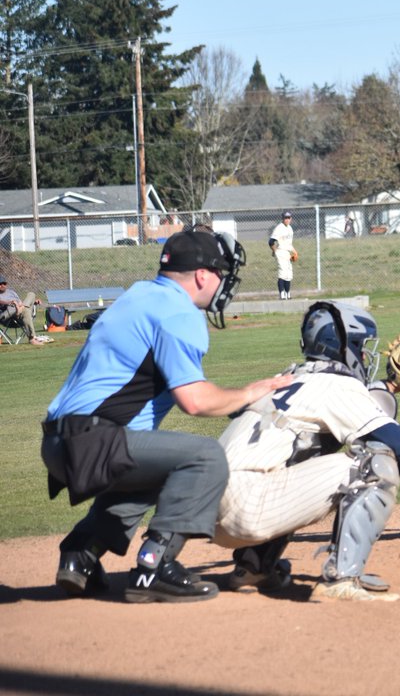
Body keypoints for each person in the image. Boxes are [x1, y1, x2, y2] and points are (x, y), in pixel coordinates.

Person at [41, 229, 293, 603]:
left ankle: (81, 554)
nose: (224, 283)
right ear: (202, 275)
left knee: (153, 473)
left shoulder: (139, 295)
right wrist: (249, 393)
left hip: (60, 441)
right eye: (222, 273)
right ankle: (154, 566)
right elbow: (194, 400)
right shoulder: (179, 311)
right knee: (205, 458)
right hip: (91, 439)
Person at [214, 301, 400, 602]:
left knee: (295, 459)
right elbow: (399, 441)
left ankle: (253, 568)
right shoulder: (337, 384)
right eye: (360, 346)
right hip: (251, 510)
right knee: (374, 461)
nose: (363, 355)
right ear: (342, 346)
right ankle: (341, 578)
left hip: (207, 513)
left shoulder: (287, 378)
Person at [0, 274, 45, 345]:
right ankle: (32, 339)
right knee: (15, 306)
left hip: (20, 315)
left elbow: (20, 302)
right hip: (9, 317)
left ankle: (22, 308)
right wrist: (10, 303)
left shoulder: (11, 292)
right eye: (0, 284)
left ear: (6, 284)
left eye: (4, 283)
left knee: (31, 294)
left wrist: (34, 301)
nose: (2, 285)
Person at [269, 210, 296, 300]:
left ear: (291, 219)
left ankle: (288, 294)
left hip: (287, 252)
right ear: (282, 218)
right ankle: (282, 294)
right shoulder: (279, 228)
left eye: (288, 218)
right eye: (285, 218)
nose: (287, 219)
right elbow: (271, 241)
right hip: (280, 252)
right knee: (283, 273)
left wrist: (294, 251)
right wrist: (275, 251)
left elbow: (288, 243)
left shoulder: (290, 228)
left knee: (289, 274)